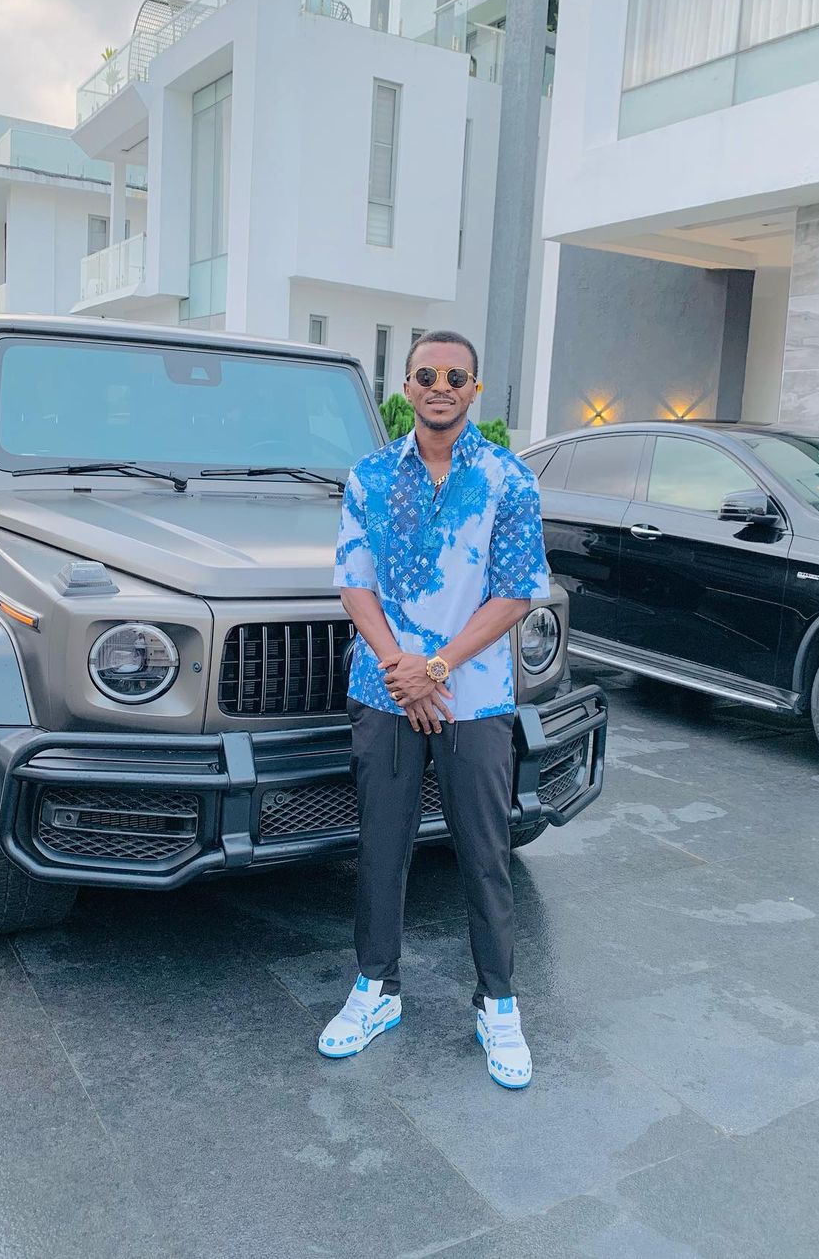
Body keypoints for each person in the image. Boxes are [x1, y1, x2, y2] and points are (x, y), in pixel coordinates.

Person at [318, 329, 550, 1089]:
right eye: (427, 374)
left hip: (475, 694)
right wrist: (400, 668)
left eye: (457, 376)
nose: (441, 385)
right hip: (384, 689)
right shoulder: (370, 475)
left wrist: (438, 667)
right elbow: (356, 583)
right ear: (407, 387)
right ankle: (375, 990)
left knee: (485, 853)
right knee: (381, 848)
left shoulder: (508, 479)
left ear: (475, 390)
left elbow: (515, 592)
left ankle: (499, 1003)